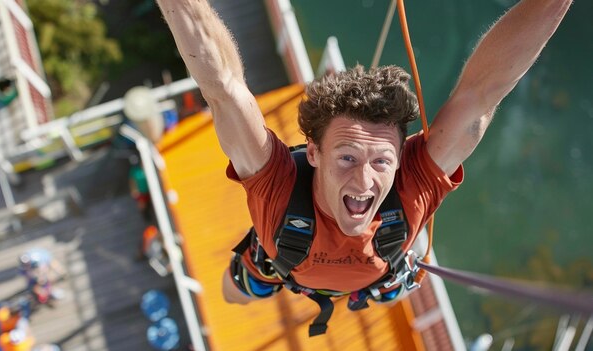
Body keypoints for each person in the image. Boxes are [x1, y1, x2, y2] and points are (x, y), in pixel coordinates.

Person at [156, 0, 572, 334]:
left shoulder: (413, 184)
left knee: (397, 283)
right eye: (347, 158)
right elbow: (223, 86)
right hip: (278, 265)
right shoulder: (277, 186)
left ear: (399, 158)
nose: (364, 180)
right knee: (233, 295)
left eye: (382, 161)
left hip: (375, 277)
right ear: (313, 153)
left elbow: (484, 95)